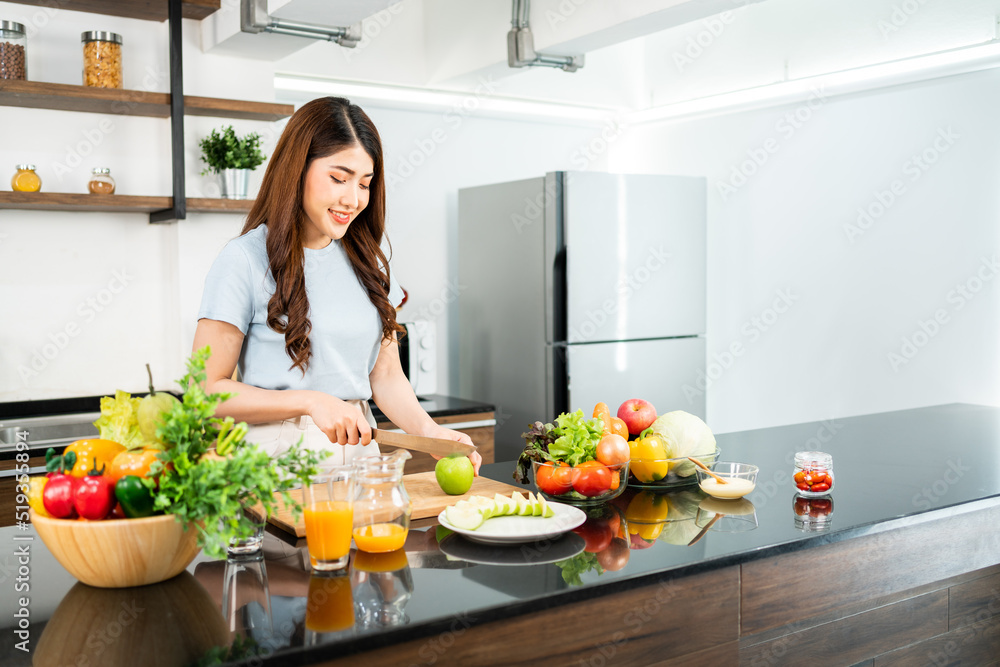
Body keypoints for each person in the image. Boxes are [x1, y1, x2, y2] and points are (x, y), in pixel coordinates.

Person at [193, 96, 481, 473]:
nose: (354, 199)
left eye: (365, 183)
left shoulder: (368, 261)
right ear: (297, 169)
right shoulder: (244, 259)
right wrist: (311, 401)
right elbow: (207, 392)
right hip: (277, 464)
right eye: (338, 178)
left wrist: (430, 432)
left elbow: (386, 376)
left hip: (361, 457)